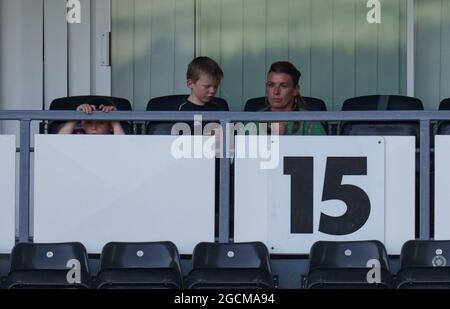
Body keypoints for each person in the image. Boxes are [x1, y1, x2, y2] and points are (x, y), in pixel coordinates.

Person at [255, 61, 326, 135]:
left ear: (295, 90)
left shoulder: (310, 124)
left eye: (283, 86)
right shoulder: (253, 121)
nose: (276, 92)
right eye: (271, 85)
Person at [58, 98, 125, 135]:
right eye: (89, 122)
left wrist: (115, 120)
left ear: (111, 127)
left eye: (101, 122)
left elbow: (123, 146)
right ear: (82, 124)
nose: (94, 128)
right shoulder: (78, 134)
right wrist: (76, 116)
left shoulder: (114, 137)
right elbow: (58, 142)